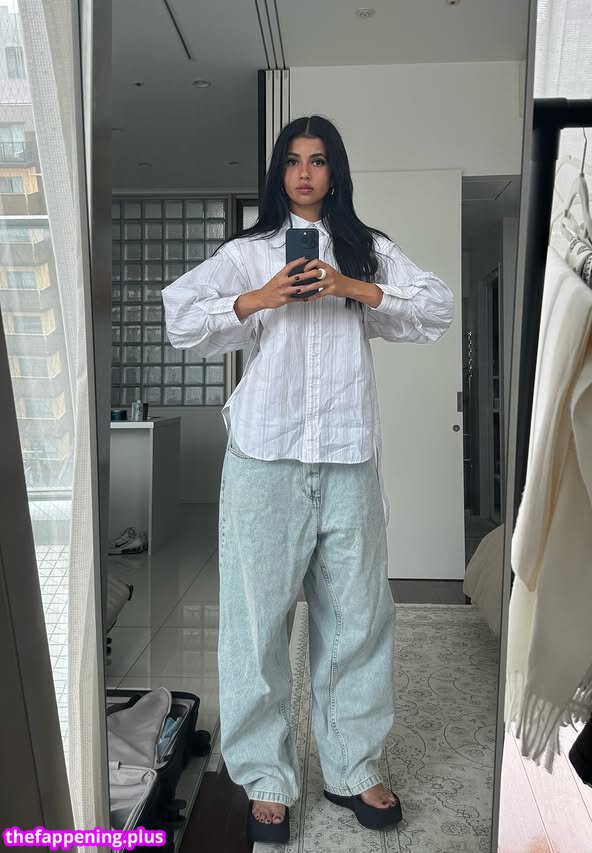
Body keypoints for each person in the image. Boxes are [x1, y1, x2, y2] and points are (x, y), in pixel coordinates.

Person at [162, 115, 453, 844]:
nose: (304, 173)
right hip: (265, 456)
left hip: (349, 456)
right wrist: (259, 297)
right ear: (278, 171)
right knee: (256, 623)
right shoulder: (249, 252)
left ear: (335, 171)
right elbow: (179, 318)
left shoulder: (366, 249)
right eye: (292, 160)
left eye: (318, 160)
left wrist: (352, 285)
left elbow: (436, 307)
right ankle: (265, 775)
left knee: (357, 619)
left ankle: (351, 766)